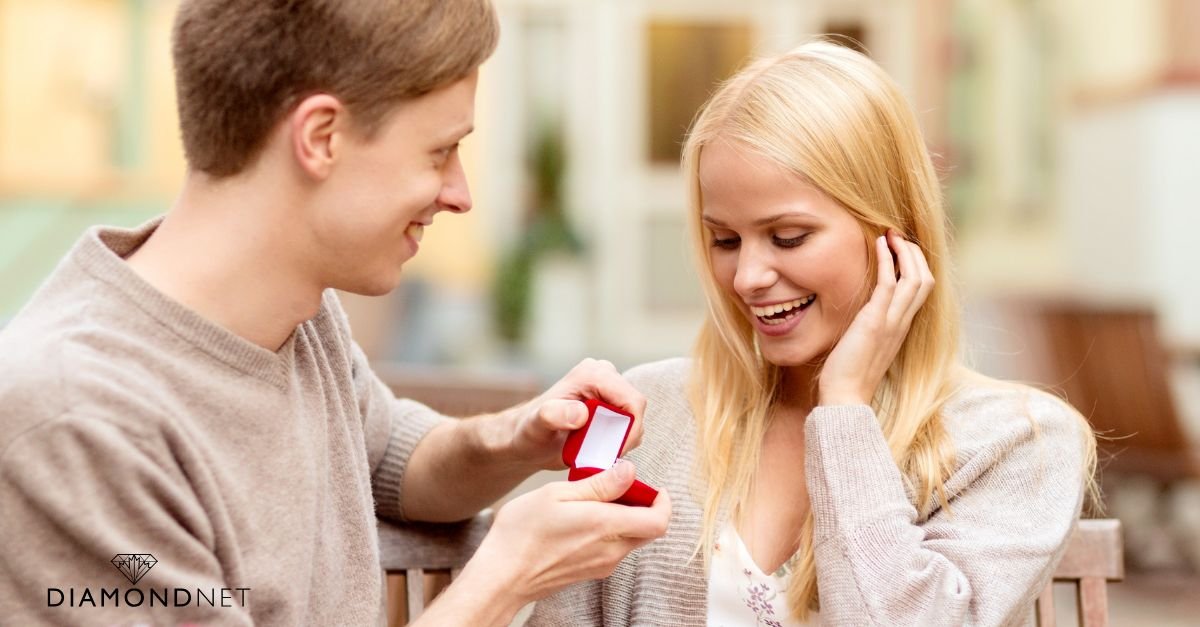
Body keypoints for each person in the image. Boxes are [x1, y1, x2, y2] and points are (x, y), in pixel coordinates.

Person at [0, 1, 670, 625]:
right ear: (321, 136)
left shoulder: (299, 317)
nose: (461, 194)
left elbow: (391, 463)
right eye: (440, 152)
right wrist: (505, 578)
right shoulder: (74, 420)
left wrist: (518, 437)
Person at [529, 40, 1098, 626]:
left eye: (788, 236)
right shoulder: (651, 412)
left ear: (894, 234)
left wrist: (845, 407)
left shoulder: (1019, 444)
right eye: (724, 240)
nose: (748, 277)